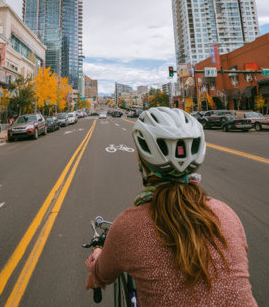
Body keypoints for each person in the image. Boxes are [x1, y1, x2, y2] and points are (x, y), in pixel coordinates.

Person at [85, 107, 257, 306]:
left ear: (142, 162)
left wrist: (97, 255)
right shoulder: (227, 215)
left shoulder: (128, 227)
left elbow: (101, 275)